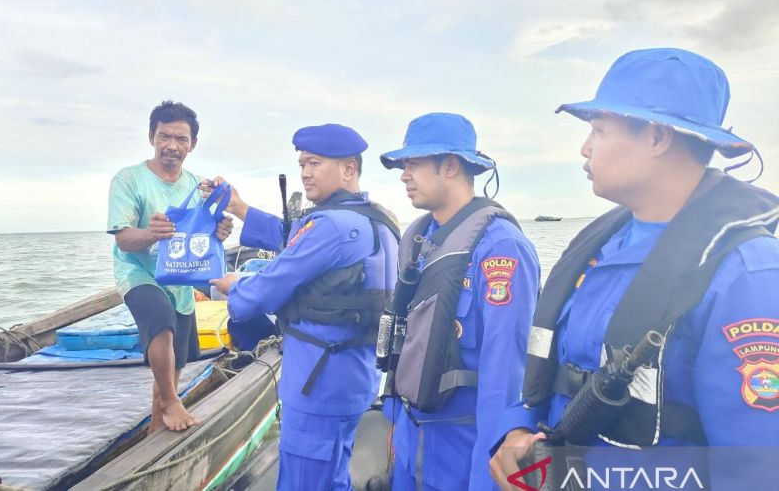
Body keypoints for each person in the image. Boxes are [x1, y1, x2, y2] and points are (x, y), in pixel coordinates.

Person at [490, 48, 779, 490]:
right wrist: (514, 433)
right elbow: (553, 377)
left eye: (599, 130)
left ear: (657, 137)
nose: (585, 147)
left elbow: (754, 471)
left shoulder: (745, 274)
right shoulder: (598, 247)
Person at [209, 124, 400, 491]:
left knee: (305, 481)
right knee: (335, 475)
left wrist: (235, 286)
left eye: (314, 163)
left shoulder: (329, 227)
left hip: (318, 383)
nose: (305, 173)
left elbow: (259, 295)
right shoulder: (378, 220)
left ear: (348, 168)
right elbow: (297, 236)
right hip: (356, 378)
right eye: (301, 164)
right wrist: (237, 205)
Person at [379, 112, 541, 490]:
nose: (404, 174)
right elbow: (404, 338)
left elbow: (504, 371)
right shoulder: (417, 240)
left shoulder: (501, 248)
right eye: (404, 165)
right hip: (410, 438)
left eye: (414, 164)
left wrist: (486, 475)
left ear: (450, 165)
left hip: (460, 448)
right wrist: (393, 424)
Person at [107, 101, 232, 433]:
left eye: (181, 139)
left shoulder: (195, 185)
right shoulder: (128, 179)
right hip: (138, 272)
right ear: (152, 137)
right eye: (164, 136)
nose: (172, 146)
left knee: (178, 353)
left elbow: (205, 235)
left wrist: (221, 231)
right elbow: (122, 238)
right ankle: (172, 402)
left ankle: (156, 424)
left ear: (192, 144)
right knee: (160, 319)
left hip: (179, 278)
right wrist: (151, 233)